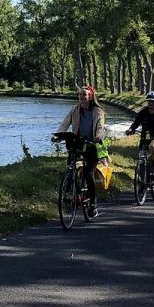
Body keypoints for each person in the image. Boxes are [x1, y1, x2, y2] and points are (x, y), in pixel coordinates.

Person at [54, 85, 107, 217]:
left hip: (92, 145)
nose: (82, 97)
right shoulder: (75, 110)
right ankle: (70, 192)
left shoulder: (98, 111)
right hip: (77, 143)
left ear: (90, 97)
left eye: (84, 94)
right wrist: (58, 135)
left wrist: (98, 137)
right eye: (80, 94)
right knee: (70, 167)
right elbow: (65, 123)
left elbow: (100, 126)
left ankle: (93, 204)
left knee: (88, 174)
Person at [126, 91, 154, 177]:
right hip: (144, 137)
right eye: (149, 101)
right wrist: (131, 129)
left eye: (153, 101)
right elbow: (136, 123)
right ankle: (143, 178)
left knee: (152, 146)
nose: (150, 103)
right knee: (142, 155)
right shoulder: (143, 112)